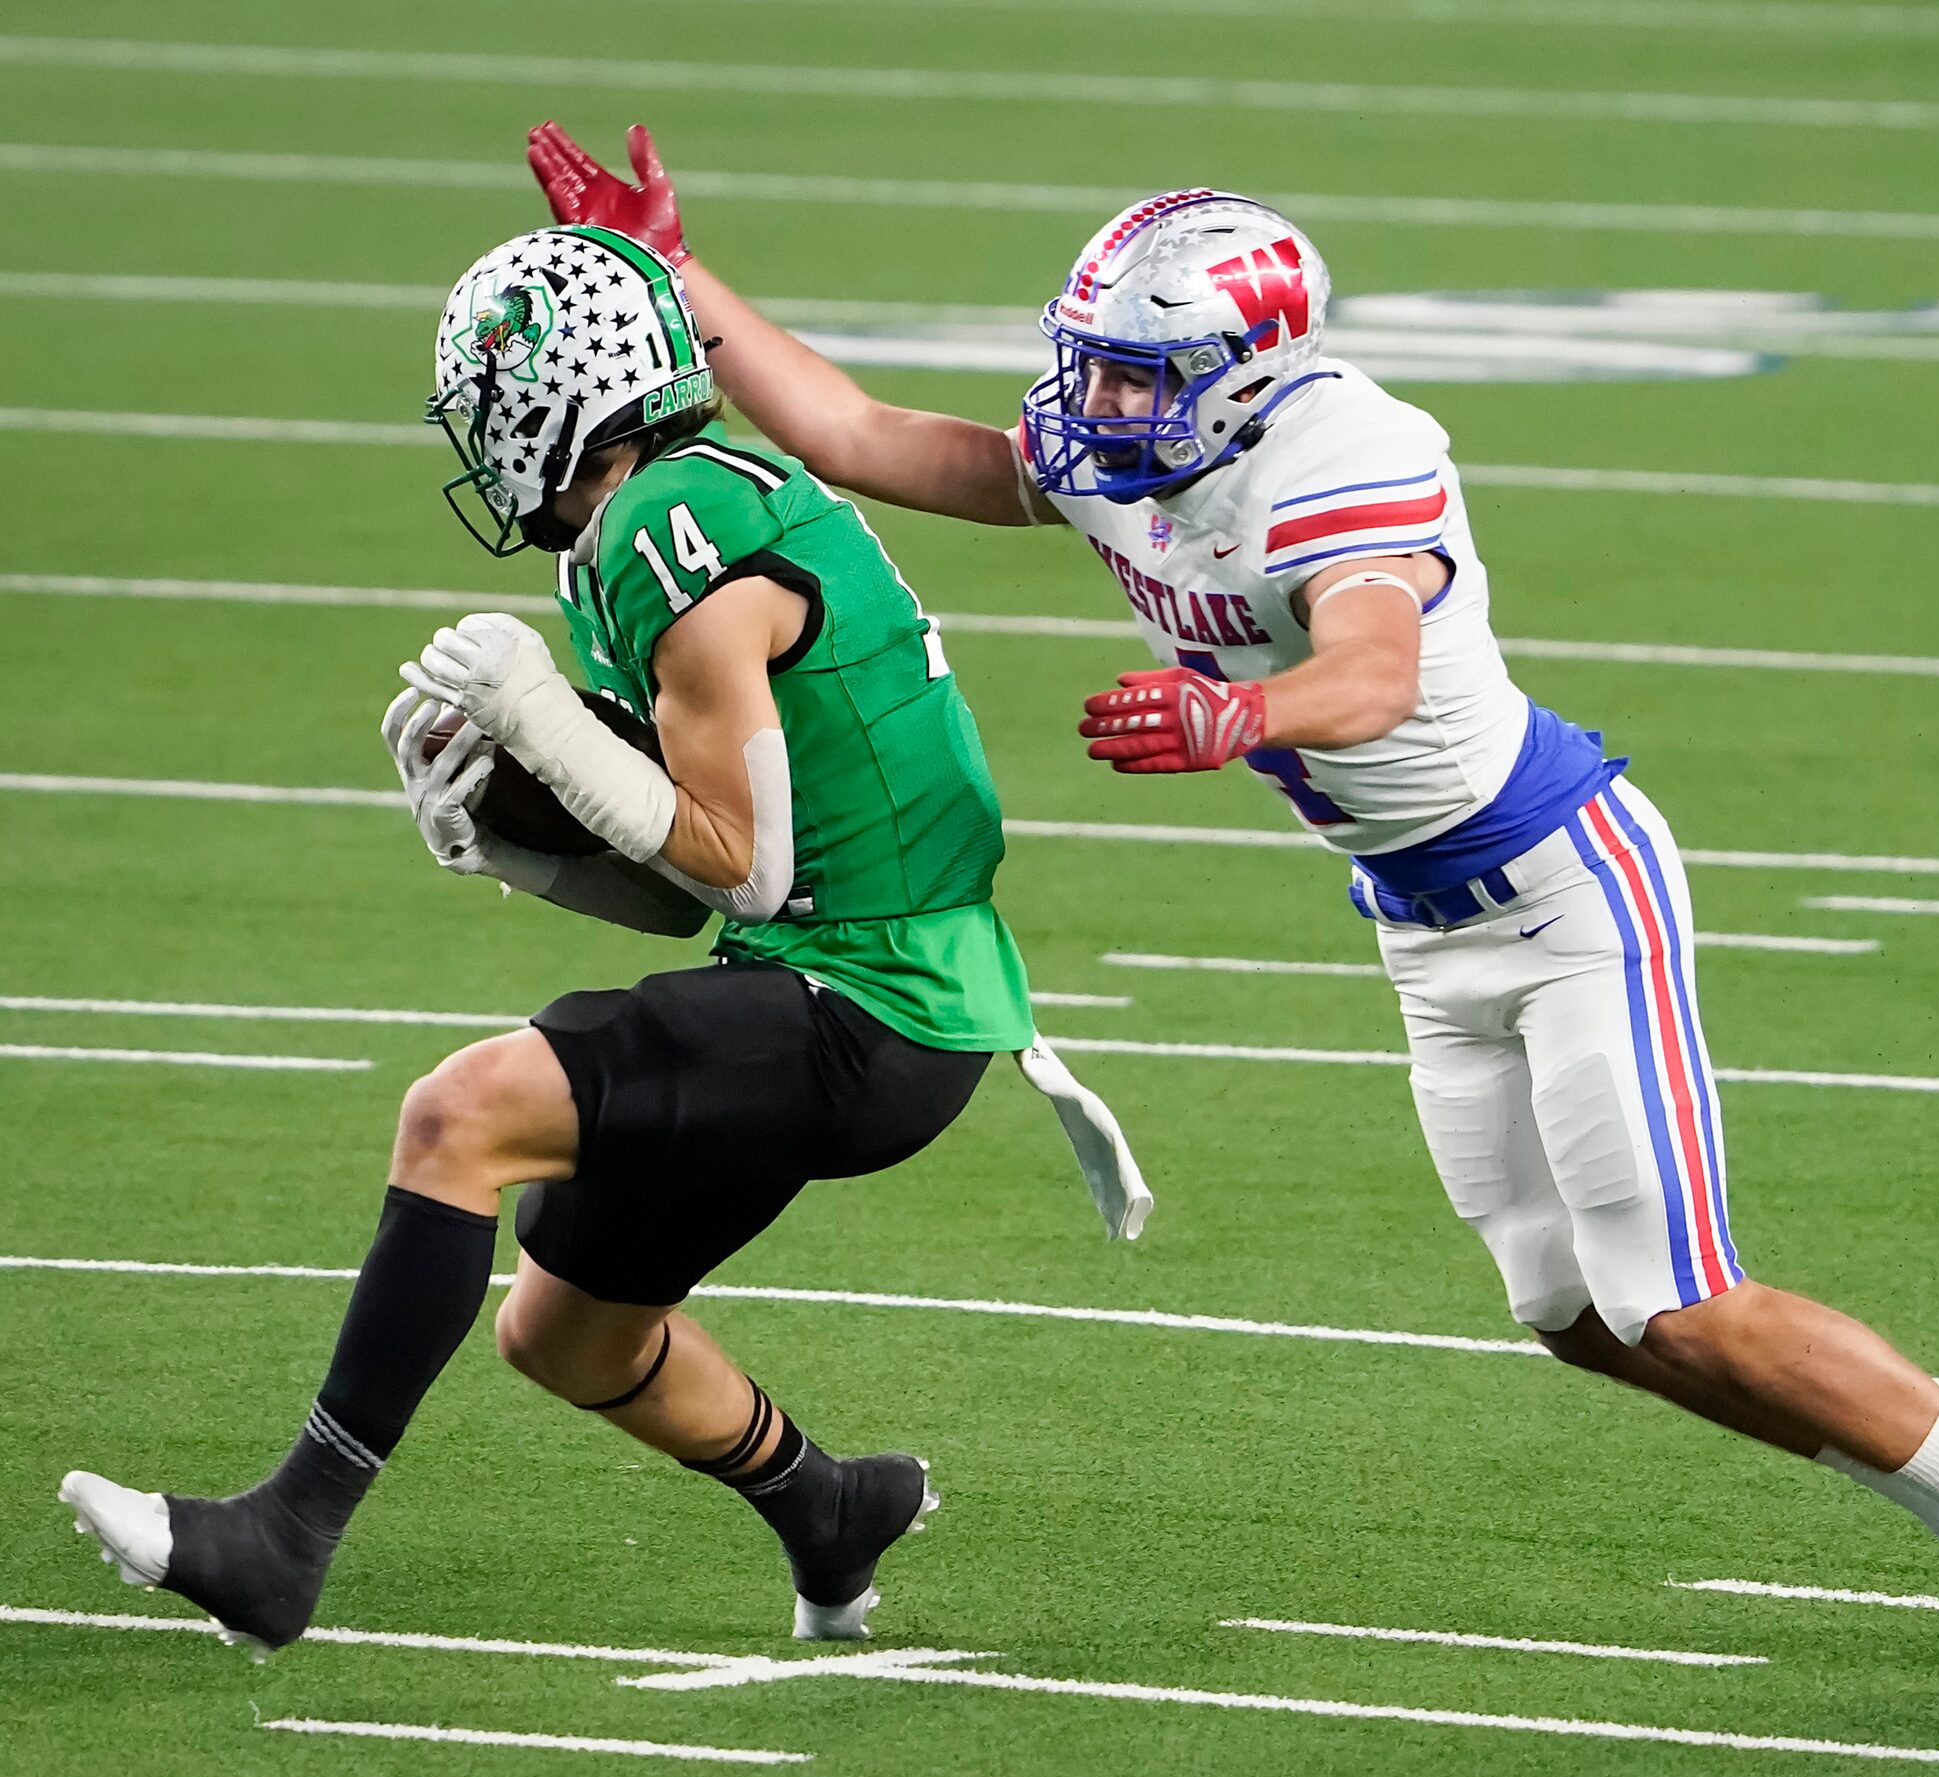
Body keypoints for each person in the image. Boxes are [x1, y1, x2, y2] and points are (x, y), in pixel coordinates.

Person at [528, 130, 1939, 1679]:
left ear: (1249, 367)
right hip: (1425, 923)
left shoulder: (1345, 450)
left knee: (1674, 1294)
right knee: (1575, 1313)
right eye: (1090, 363)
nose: (1097, 403)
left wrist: (1246, 713)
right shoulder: (1134, 444)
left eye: (1137, 372)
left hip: (1570, 892)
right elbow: (872, 437)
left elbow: (1372, 667)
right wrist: (681, 278)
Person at [59, 222, 1134, 1654]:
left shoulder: (665, 522)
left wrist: (545, 722)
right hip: (853, 986)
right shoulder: (667, 515)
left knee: (460, 1114)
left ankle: (282, 1535)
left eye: (492, 408)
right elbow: (683, 879)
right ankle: (829, 1508)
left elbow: (743, 869)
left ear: (557, 396)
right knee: (565, 1330)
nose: (483, 440)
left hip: (874, 997)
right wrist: (511, 832)